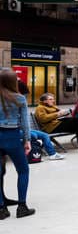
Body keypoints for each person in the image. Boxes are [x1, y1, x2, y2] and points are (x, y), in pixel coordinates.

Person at [0, 69, 35, 219]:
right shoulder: (20, 98)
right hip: (12, 136)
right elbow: (25, 123)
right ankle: (22, 207)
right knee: (23, 170)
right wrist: (27, 140)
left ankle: (2, 209)